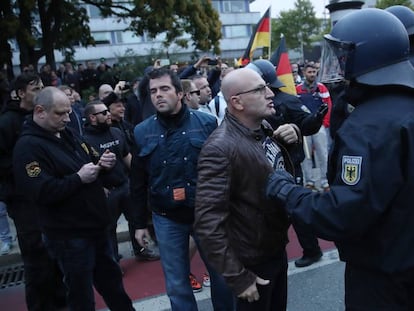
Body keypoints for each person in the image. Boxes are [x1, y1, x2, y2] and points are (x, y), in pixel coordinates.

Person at [266, 8, 414, 310]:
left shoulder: (369, 126)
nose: (338, 65)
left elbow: (342, 216)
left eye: (343, 56)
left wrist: (285, 190)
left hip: (384, 277)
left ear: (367, 58)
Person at [12, 86, 135, 311]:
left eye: (69, 112)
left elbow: (90, 157)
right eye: (60, 113)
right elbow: (40, 191)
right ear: (40, 111)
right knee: (80, 295)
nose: (67, 118)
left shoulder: (67, 134)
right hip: (68, 235)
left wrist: (102, 166)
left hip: (96, 227)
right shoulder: (28, 147)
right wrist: (78, 178)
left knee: (113, 285)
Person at [130, 68, 234, 311]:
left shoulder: (207, 123)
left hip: (207, 213)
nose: (158, 95)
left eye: (164, 89)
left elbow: (225, 169)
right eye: (153, 91)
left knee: (222, 277)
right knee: (177, 285)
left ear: (180, 93)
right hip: (166, 218)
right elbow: (137, 181)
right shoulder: (141, 131)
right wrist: (138, 224)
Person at [194, 67, 298, 311]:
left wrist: (290, 141)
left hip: (273, 250)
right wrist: (238, 277)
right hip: (251, 263)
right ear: (237, 102)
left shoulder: (262, 129)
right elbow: (208, 223)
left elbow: (268, 173)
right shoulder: (219, 148)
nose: (270, 93)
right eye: (260, 89)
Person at [246, 59, 327, 268]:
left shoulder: (288, 100)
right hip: (263, 168)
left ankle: (312, 249)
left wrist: (312, 121)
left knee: (295, 210)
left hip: (290, 166)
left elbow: (307, 124)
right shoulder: (249, 105)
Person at [1, 74, 68, 311]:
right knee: (36, 258)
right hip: (23, 202)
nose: (41, 91)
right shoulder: (7, 122)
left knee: (54, 255)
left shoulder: (37, 119)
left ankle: (61, 302)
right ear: (19, 93)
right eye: (35, 88)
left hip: (46, 196)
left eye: (42, 87)